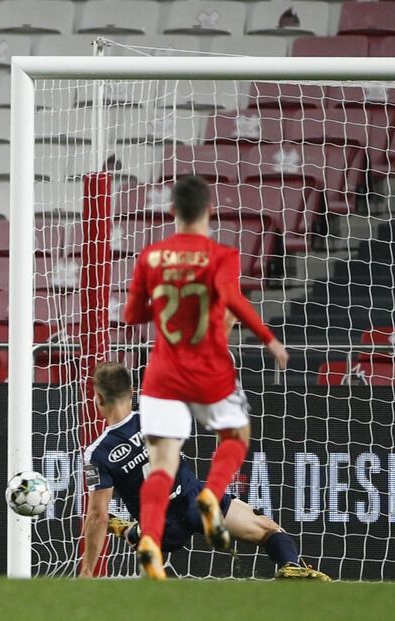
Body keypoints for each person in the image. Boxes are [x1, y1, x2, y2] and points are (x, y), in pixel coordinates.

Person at [122, 175, 290, 580]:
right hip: (208, 370)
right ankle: (211, 495)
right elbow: (234, 302)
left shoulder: (151, 255)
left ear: (173, 211)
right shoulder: (222, 256)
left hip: (162, 374)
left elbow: (130, 317)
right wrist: (269, 339)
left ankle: (149, 538)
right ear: (209, 211)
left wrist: (161, 310)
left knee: (162, 463)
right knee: (234, 436)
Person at [78, 363, 329, 581]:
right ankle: (290, 566)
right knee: (269, 530)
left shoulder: (96, 454)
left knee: (147, 534)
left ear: (98, 398)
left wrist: (87, 570)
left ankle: (129, 530)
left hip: (162, 528)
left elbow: (98, 515)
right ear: (133, 391)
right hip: (196, 502)